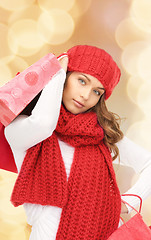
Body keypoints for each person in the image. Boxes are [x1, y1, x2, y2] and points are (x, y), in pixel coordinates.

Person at [4, 45, 151, 240]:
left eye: (97, 92)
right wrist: (55, 72)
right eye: (82, 81)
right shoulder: (21, 128)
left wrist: (129, 201)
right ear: (65, 76)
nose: (85, 95)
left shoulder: (101, 135)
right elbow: (44, 124)